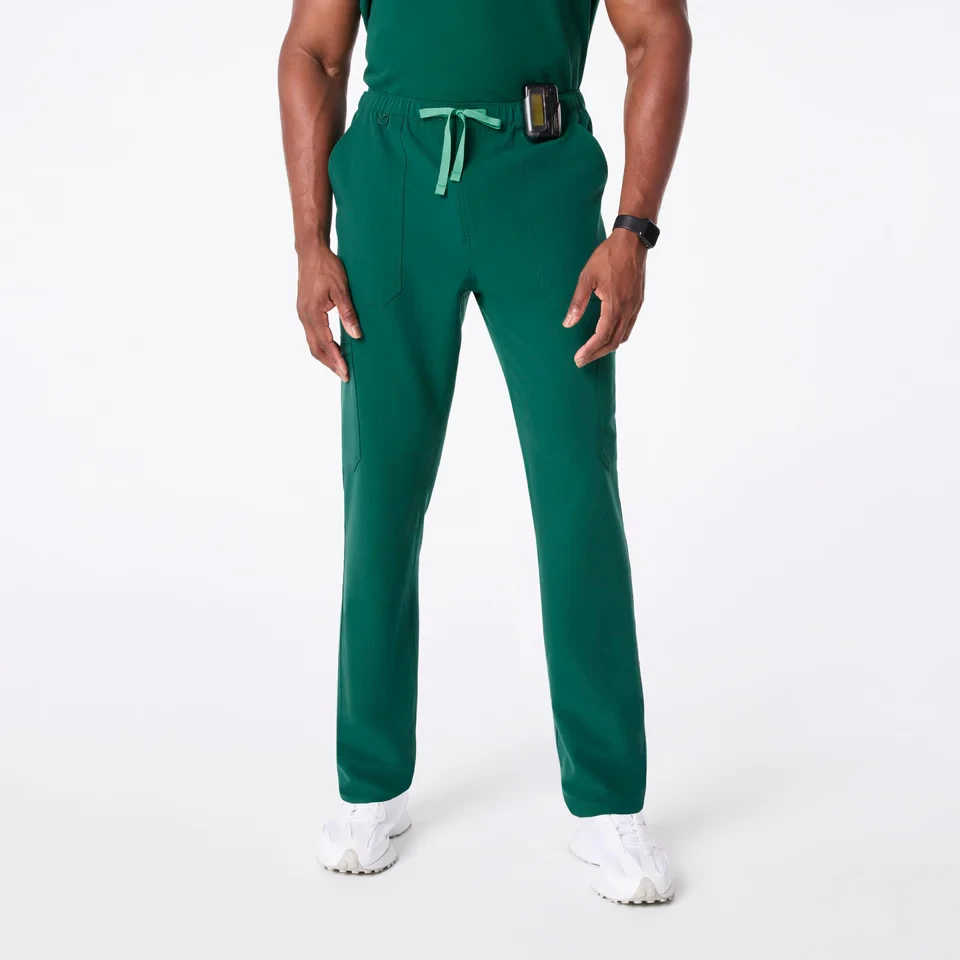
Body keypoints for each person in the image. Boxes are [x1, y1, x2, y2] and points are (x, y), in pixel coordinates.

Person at [278, 0, 691, 903]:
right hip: (393, 178)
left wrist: (633, 231)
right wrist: (310, 242)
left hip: (539, 176)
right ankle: (370, 782)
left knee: (576, 483)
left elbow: (657, 30)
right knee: (381, 486)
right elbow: (313, 50)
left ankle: (608, 799)